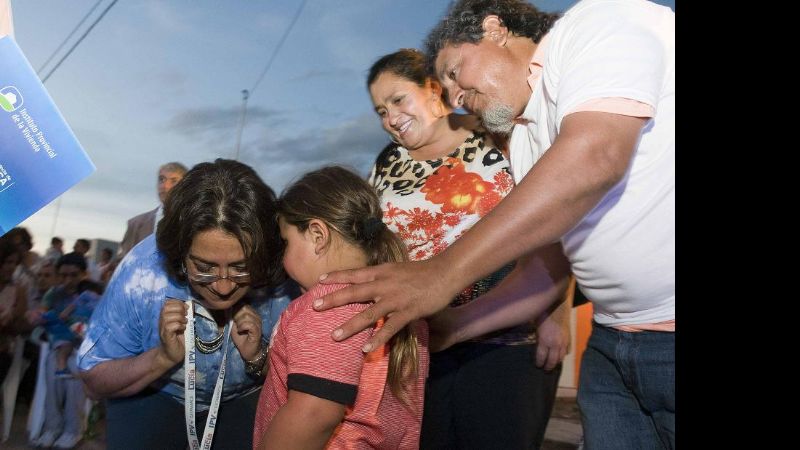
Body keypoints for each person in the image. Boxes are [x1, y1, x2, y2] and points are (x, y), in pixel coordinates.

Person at [316, 1, 675, 449]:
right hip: (611, 344)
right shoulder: (526, 140)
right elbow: (545, 268)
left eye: (452, 73)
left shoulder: (600, 21)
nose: (451, 97)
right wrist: (455, 325)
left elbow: (596, 155)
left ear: (494, 29)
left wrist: (441, 273)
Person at [366, 48, 570, 449]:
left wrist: (556, 312)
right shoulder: (387, 161)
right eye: (379, 111)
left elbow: (556, 221)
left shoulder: (499, 135)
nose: (390, 118)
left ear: (432, 90)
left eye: (397, 100)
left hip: (505, 340)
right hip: (422, 344)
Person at [77, 159, 297, 450]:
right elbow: (94, 379)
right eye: (204, 267)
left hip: (243, 401)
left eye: (241, 268)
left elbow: (310, 386)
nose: (223, 287)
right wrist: (162, 358)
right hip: (156, 396)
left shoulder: (284, 278)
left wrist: (258, 358)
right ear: (179, 254)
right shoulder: (143, 273)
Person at [252, 166, 429, 449]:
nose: (283, 260)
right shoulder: (401, 304)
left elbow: (315, 415)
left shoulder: (328, 305)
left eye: (286, 243)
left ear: (317, 235)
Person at [119, 161, 188, 258]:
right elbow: (123, 265)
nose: (165, 186)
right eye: (162, 179)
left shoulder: (193, 225)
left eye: (174, 181)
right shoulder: (135, 225)